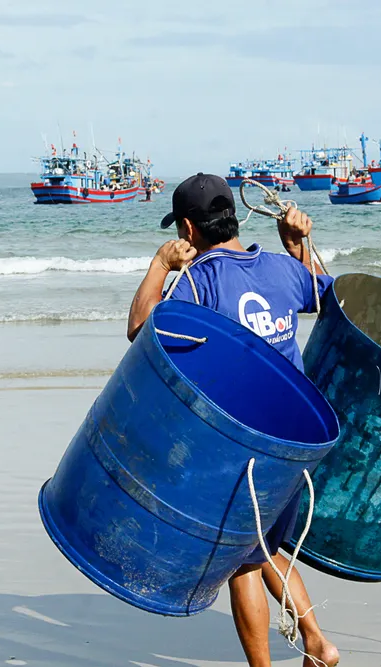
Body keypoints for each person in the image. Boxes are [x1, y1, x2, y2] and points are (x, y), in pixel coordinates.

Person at [127, 173, 340, 667]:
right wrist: (296, 248)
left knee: (240, 563)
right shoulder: (280, 269)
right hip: (299, 444)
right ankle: (316, 643)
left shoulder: (198, 285)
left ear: (187, 228)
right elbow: (322, 298)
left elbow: (141, 330)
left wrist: (160, 264)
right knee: (260, 547)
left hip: (243, 450)